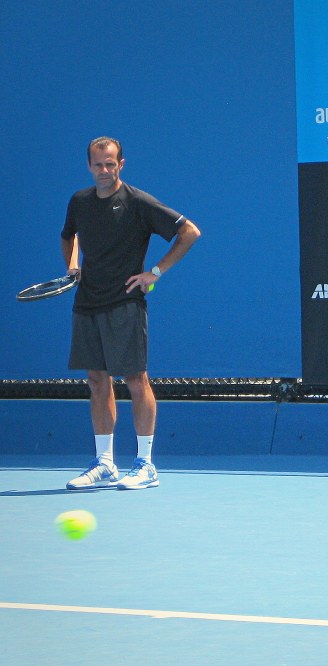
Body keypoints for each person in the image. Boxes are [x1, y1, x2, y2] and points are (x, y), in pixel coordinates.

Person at [62, 136, 201, 491]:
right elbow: (69, 236)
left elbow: (189, 232)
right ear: (89, 166)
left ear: (121, 164)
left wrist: (154, 273)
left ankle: (145, 464)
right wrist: (74, 265)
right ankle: (105, 463)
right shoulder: (79, 201)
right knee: (97, 381)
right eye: (98, 164)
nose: (105, 171)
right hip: (88, 302)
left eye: (111, 164)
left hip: (125, 303)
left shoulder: (137, 202)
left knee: (135, 380)